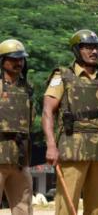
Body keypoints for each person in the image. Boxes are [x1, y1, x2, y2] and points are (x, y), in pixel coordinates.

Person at [42, 30, 98, 215]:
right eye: (88, 47)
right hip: (72, 148)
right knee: (67, 207)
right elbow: (47, 111)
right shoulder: (62, 76)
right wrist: (51, 145)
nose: (94, 51)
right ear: (76, 50)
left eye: (96, 47)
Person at [0, 39, 32, 215]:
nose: (18, 62)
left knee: (23, 208)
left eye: (21, 59)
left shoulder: (27, 88)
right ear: (2, 61)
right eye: (13, 59)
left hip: (20, 158)